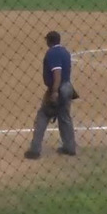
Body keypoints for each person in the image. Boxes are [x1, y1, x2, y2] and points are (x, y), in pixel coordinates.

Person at [24, 31, 77, 160]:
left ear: (49, 41)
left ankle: (35, 150)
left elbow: (57, 73)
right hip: (68, 87)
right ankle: (70, 148)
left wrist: (54, 92)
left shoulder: (52, 53)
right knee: (64, 117)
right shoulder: (65, 52)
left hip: (58, 89)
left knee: (42, 116)